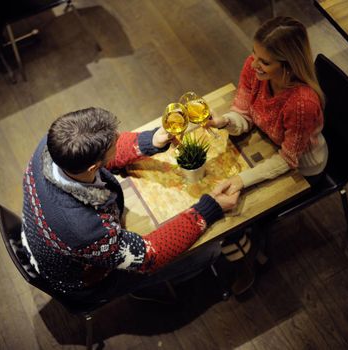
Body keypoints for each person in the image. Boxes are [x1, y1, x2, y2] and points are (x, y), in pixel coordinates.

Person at [21, 107, 240, 303]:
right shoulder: (85, 230)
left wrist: (152, 139)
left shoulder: (53, 145)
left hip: (47, 239)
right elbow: (149, 255)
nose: (119, 137)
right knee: (208, 251)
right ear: (94, 166)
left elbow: (105, 159)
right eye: (113, 142)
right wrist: (210, 209)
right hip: (86, 281)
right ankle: (145, 289)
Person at [207, 16, 328, 295]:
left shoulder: (301, 103)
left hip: (302, 167)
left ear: (287, 66)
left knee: (243, 211)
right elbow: (245, 114)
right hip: (268, 142)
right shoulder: (254, 68)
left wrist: (241, 179)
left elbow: (288, 160)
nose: (253, 63)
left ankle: (251, 260)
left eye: (264, 61)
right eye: (254, 53)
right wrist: (226, 121)